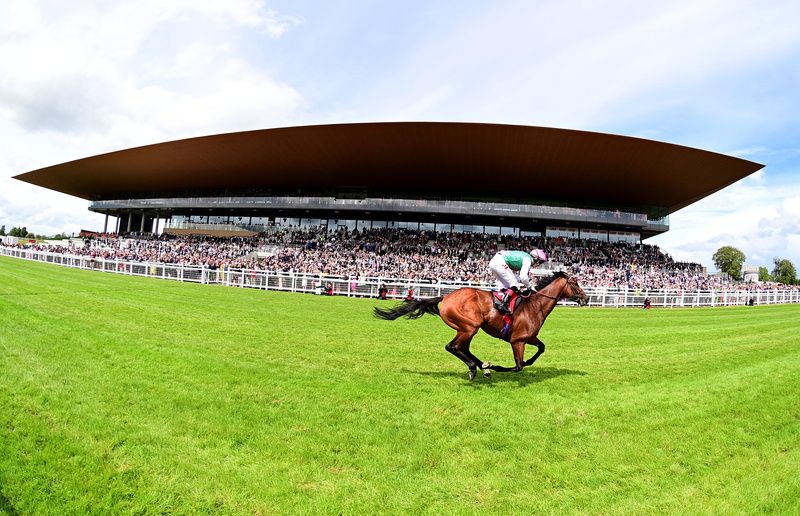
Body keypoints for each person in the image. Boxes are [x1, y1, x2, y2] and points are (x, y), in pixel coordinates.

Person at [489, 249, 547, 313]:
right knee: (514, 284)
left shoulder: (525, 257)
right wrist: (529, 287)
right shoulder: (528, 260)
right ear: (536, 258)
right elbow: (523, 277)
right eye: (540, 262)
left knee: (506, 286)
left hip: (495, 261)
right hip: (499, 262)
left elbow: (519, 277)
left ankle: (501, 303)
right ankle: (504, 304)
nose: (539, 264)